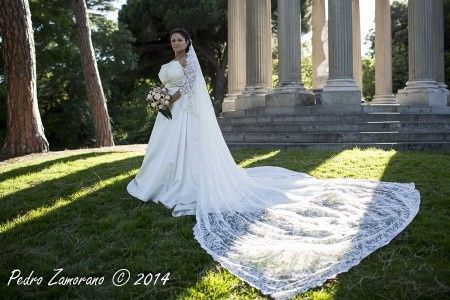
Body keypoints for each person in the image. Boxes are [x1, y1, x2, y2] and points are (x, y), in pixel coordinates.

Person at [127, 28, 420, 299]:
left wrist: (168, 99)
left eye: (180, 39)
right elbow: (166, 83)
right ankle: (160, 180)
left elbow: (189, 88)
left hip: (182, 113)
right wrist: (162, 99)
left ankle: (182, 182)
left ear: (188, 43)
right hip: (170, 117)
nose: (176, 43)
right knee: (164, 153)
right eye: (173, 40)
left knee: (187, 154)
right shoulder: (169, 63)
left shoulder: (190, 64)